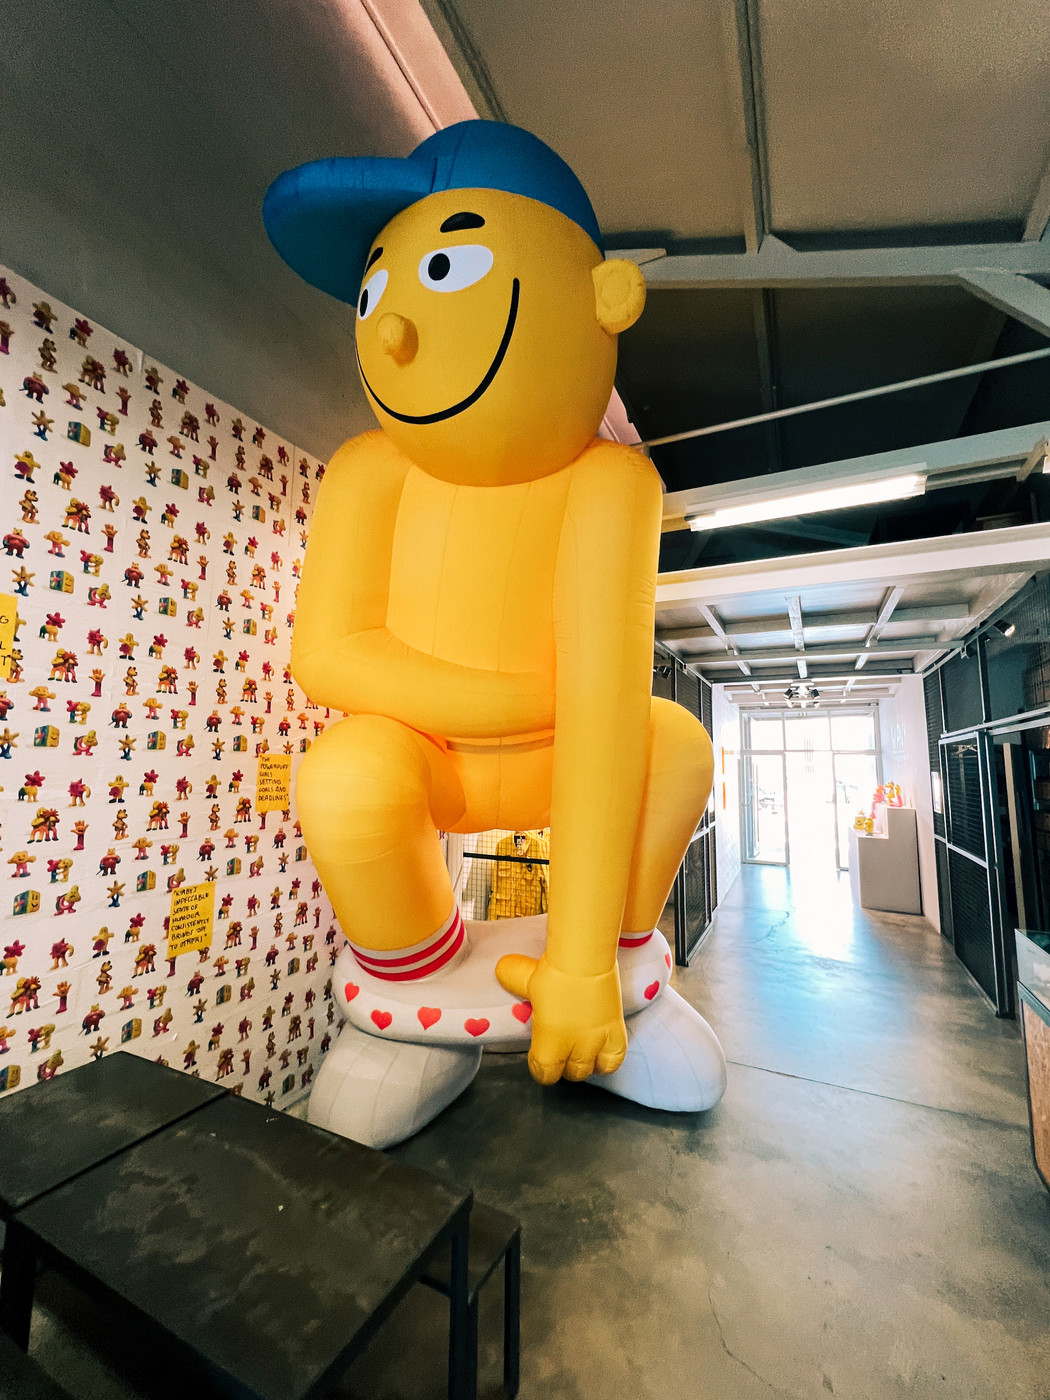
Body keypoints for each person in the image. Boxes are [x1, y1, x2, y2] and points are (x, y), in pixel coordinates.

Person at [265, 120, 725, 1146]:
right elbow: (329, 656)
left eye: (445, 266)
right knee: (342, 774)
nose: (393, 329)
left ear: (603, 299)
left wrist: (573, 969)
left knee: (677, 745)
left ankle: (616, 970)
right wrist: (525, 697)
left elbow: (607, 712)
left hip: (572, 756)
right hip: (434, 760)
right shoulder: (368, 470)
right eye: (380, 287)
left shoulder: (610, 480)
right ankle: (414, 1007)